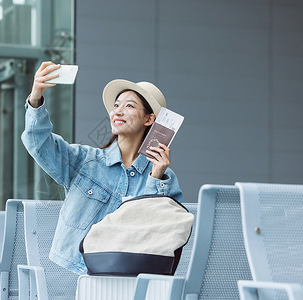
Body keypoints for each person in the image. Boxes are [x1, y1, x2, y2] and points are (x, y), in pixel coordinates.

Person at [21, 61, 182, 274]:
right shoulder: (85, 161)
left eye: (129, 106)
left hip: (128, 280)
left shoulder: (163, 178)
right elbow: (38, 142)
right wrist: (35, 98)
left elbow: (158, 235)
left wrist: (156, 178)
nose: (118, 111)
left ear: (149, 118)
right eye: (116, 105)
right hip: (74, 275)